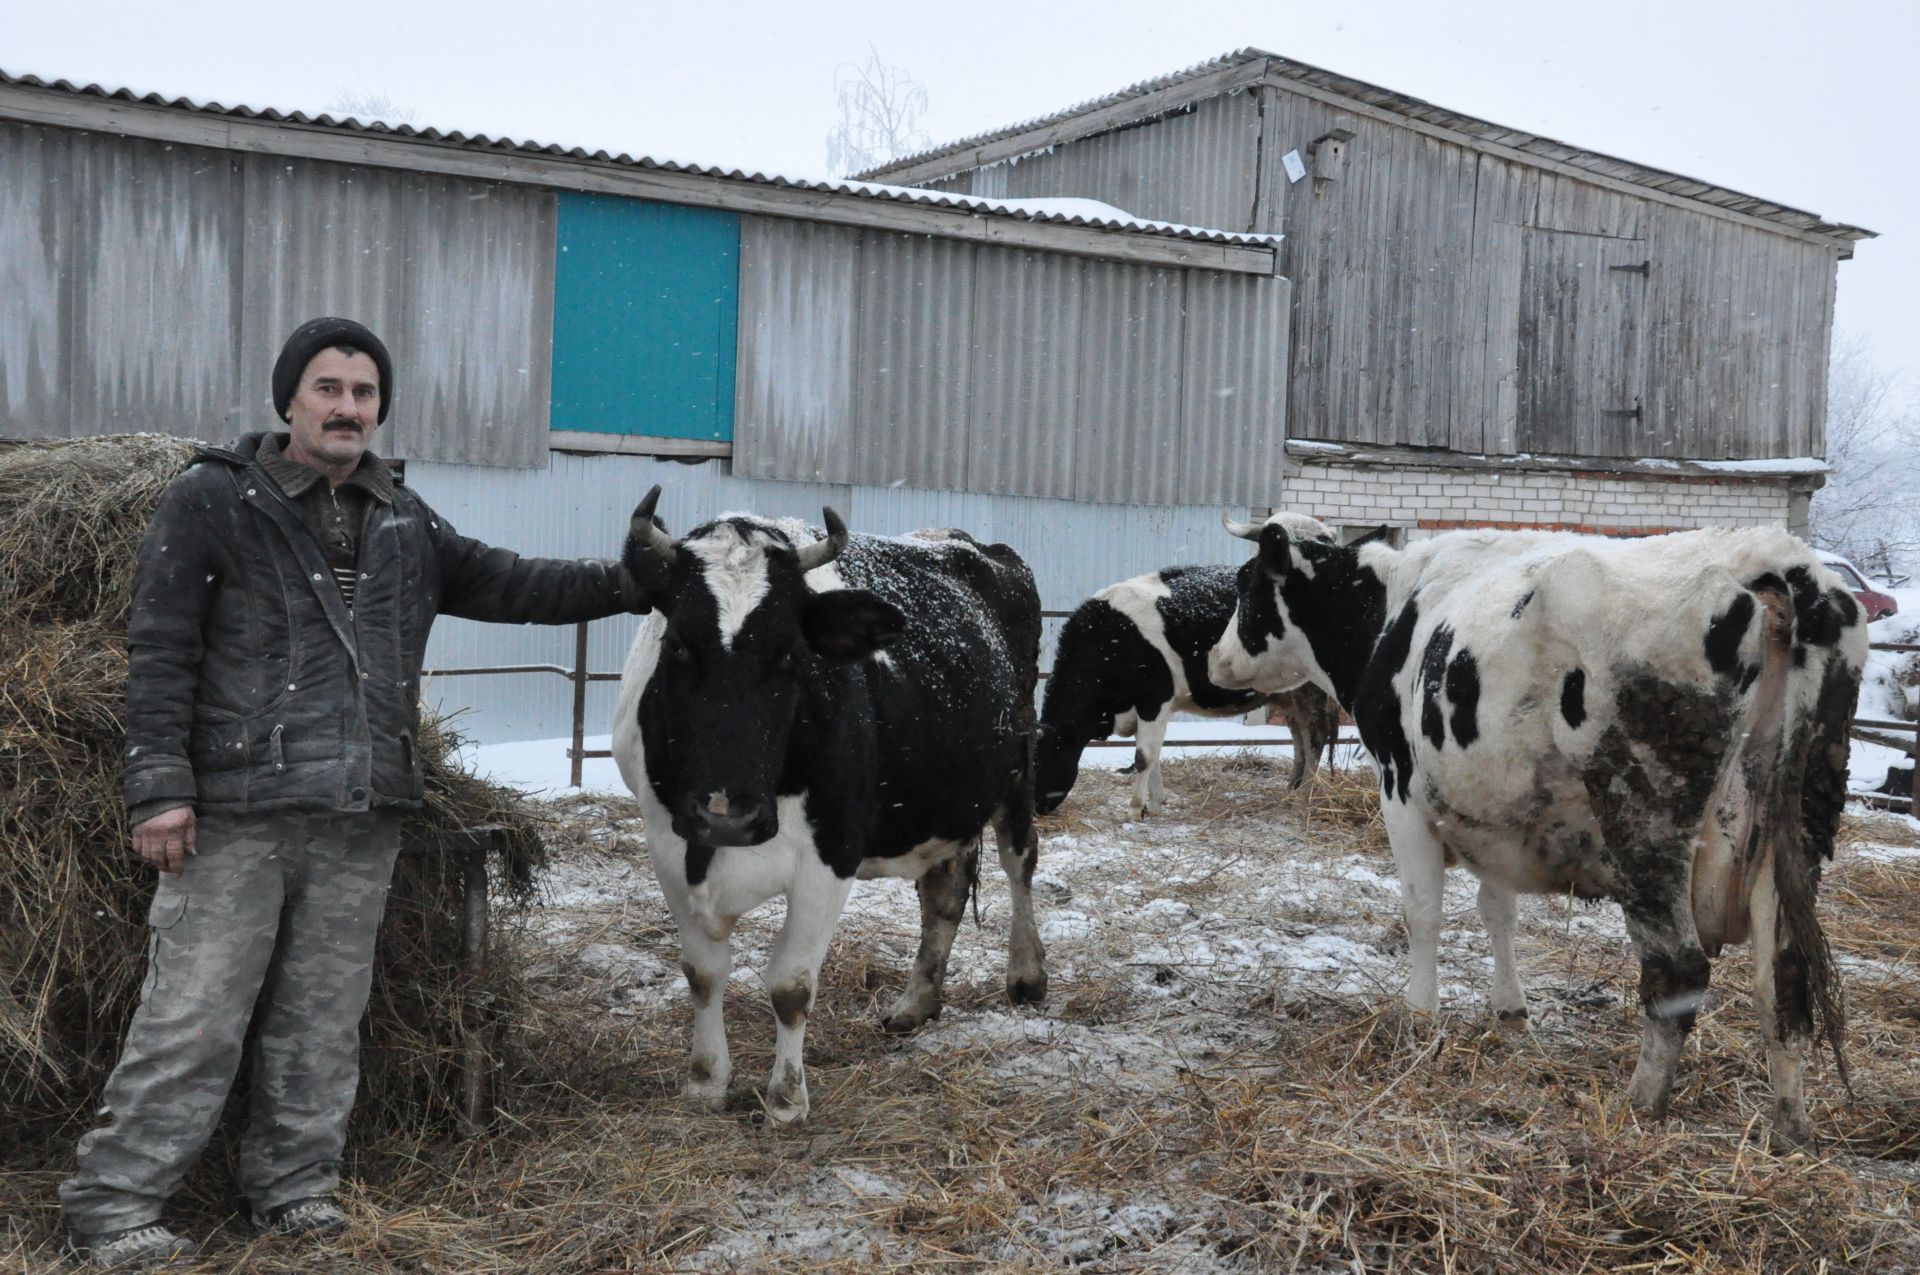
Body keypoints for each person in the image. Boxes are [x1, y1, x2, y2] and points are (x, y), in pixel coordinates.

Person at [60, 318, 645, 1267]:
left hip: (358, 815)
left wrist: (630, 581)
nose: (347, 407)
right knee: (194, 1017)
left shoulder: (403, 517)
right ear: (289, 399)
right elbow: (161, 650)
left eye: (364, 392)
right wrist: (158, 788)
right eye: (328, 388)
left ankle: (293, 1187)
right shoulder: (216, 499)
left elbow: (509, 580)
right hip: (237, 813)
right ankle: (115, 1202)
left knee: (321, 1019)